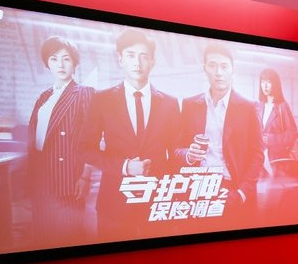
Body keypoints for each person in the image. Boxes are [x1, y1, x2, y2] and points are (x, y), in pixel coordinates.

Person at [79, 28, 180, 240]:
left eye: (144, 56)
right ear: (120, 59)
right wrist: (124, 167)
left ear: (152, 61)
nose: (137, 63)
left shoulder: (170, 103)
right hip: (114, 203)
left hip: (157, 202)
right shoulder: (102, 100)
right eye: (131, 55)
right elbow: (86, 149)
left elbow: (176, 152)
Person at [176, 42, 263, 227]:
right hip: (197, 188)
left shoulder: (249, 107)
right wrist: (188, 155)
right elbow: (177, 148)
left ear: (233, 70)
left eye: (224, 66)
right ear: (204, 68)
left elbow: (257, 155)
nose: (219, 72)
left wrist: (241, 193)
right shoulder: (190, 105)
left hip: (233, 188)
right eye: (212, 65)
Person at [27, 36, 94, 241]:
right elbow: (34, 138)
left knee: (68, 237)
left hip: (68, 178)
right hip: (41, 177)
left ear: (74, 63)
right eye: (54, 59)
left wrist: (85, 177)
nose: (60, 65)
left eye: (66, 59)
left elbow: (92, 140)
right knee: (43, 238)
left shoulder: (84, 93)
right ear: (47, 63)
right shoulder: (44, 96)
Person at [256, 68, 298, 172]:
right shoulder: (259, 106)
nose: (265, 86)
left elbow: (293, 133)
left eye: (268, 82)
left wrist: (271, 139)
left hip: (278, 160)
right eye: (262, 82)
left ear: (275, 84)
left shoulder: (282, 106)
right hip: (260, 159)